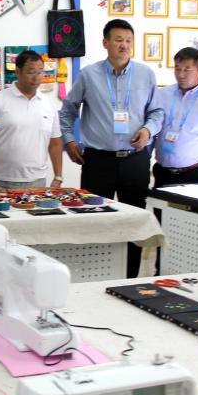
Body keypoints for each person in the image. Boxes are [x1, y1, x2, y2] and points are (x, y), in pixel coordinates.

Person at [59, 19, 163, 277]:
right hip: (98, 161)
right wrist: (69, 140)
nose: (124, 45)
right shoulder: (89, 75)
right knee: (93, 219)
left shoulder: (146, 75)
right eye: (118, 40)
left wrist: (148, 130)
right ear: (105, 43)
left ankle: (129, 278)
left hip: (134, 160)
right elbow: (68, 110)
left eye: (128, 40)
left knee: (133, 220)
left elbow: (157, 112)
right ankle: (92, 276)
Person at [0, 50, 63, 190]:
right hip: (0, 181)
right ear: (18, 71)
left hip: (38, 182)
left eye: (40, 72)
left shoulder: (48, 104)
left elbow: (55, 143)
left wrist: (58, 177)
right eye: (31, 72)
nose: (36, 78)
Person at [152, 47, 198, 187]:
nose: (181, 74)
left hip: (195, 174)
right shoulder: (162, 95)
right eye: (177, 68)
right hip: (163, 172)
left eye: (187, 69)